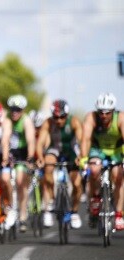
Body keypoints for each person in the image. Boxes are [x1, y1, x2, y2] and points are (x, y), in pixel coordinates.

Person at [36, 99, 83, 229]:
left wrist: (81, 156)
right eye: (56, 117)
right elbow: (40, 143)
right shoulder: (48, 123)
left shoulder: (74, 121)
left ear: (67, 115)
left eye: (62, 117)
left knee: (77, 183)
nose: (59, 120)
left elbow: (81, 140)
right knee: (48, 165)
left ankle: (74, 212)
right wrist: (40, 157)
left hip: (71, 150)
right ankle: (51, 201)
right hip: (55, 149)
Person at [80, 93, 124, 230]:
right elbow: (86, 139)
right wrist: (83, 158)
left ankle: (118, 214)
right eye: (101, 112)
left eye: (107, 113)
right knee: (94, 170)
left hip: (116, 151)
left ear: (113, 111)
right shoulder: (91, 117)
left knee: (118, 176)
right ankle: (96, 197)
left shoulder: (120, 118)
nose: (104, 116)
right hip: (97, 150)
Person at [6, 94, 36, 232]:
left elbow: (31, 140)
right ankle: (10, 208)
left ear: (22, 110)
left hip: (24, 153)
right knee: (6, 179)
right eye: (12, 109)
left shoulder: (26, 121)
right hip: (12, 153)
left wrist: (30, 158)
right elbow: (5, 139)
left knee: (20, 182)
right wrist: (5, 157)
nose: (14, 112)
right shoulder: (7, 121)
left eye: (17, 110)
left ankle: (23, 214)